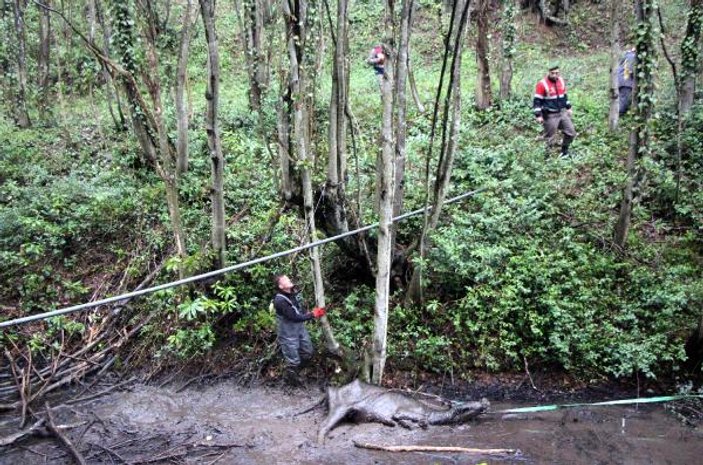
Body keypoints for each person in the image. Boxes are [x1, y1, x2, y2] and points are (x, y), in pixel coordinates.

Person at [272, 275, 326, 386]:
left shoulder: (292, 294)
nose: (289, 280)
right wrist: (312, 314)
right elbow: (294, 317)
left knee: (308, 352)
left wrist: (309, 312)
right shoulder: (279, 301)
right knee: (293, 360)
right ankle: (293, 381)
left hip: (300, 330)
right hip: (288, 334)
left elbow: (299, 311)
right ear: (281, 286)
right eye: (286, 280)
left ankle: (298, 372)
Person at [533, 64, 576, 158]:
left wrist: (568, 107)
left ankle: (564, 151)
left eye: (557, 73)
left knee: (571, 132)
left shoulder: (561, 81)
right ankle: (547, 157)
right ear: (548, 72)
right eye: (553, 73)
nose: (555, 75)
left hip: (562, 112)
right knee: (550, 138)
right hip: (550, 115)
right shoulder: (542, 84)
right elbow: (537, 100)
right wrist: (538, 115)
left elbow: (564, 95)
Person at [617, 47, 637, 115]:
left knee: (621, 99)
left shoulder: (626, 54)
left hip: (621, 79)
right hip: (626, 80)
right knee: (624, 102)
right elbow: (631, 70)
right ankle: (620, 116)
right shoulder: (632, 56)